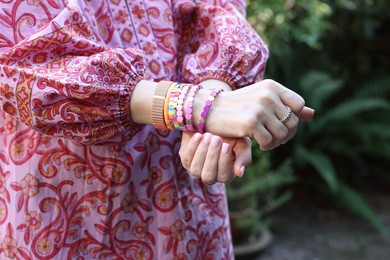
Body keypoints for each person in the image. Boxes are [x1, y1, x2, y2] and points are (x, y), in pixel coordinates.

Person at [0, 0, 314, 259]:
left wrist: (216, 102)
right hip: (66, 213)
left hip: (183, 196)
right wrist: (199, 107)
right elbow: (24, 61)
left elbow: (216, 10)